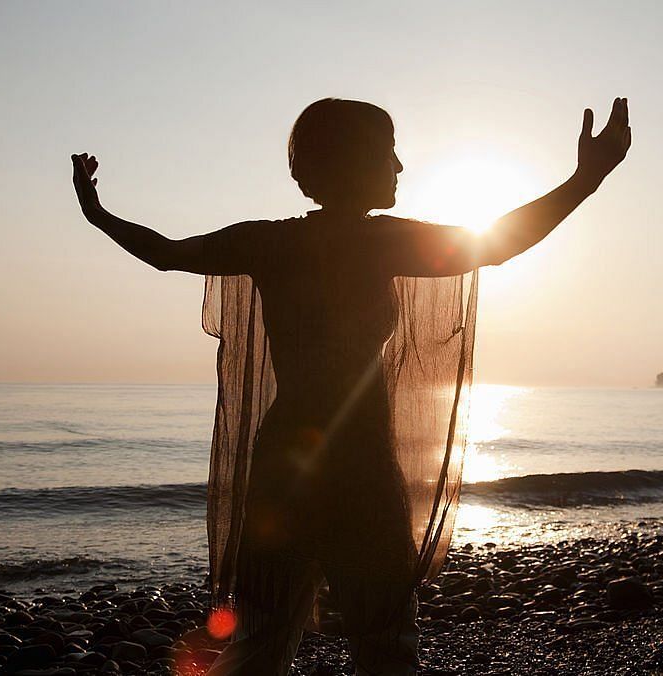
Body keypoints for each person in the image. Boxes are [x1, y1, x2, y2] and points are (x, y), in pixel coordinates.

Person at [71, 96, 630, 675]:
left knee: (263, 642)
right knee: (383, 644)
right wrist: (588, 178)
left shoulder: (272, 242)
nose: (399, 167)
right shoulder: (378, 242)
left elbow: (166, 253)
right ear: (356, 161)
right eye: (389, 152)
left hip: (286, 463)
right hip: (362, 467)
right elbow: (498, 242)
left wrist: (98, 213)